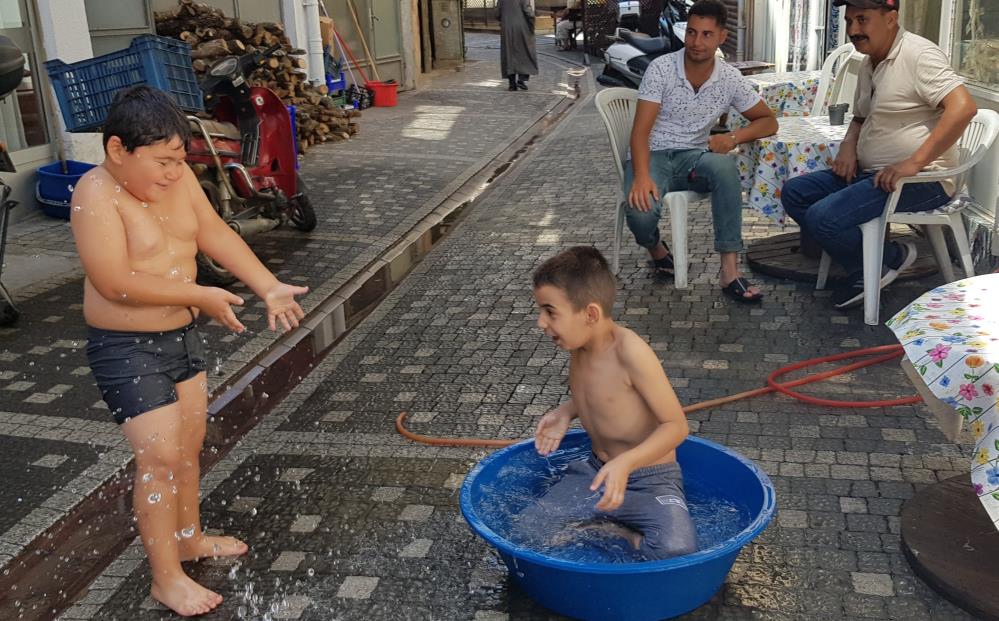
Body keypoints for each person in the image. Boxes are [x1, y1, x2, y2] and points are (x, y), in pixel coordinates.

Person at [71, 86, 308, 617]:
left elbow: (214, 233)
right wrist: (200, 295)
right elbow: (113, 282)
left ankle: (188, 538)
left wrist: (268, 285)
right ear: (117, 150)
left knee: (187, 449)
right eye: (163, 162)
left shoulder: (178, 184)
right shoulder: (95, 194)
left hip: (180, 338)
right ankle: (166, 579)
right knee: (157, 460)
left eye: (180, 160)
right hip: (125, 349)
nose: (174, 173)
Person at [781, 0, 977, 310]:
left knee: (822, 217)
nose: (853, 30)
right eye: (849, 21)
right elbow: (861, 117)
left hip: (922, 181)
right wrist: (848, 146)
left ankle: (879, 262)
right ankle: (882, 261)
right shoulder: (869, 61)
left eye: (862, 19)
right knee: (795, 192)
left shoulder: (918, 55)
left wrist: (913, 163)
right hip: (872, 174)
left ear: (891, 19)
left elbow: (963, 107)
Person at [524, 246, 697, 560]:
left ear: (590, 314)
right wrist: (566, 412)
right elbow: (602, 394)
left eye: (550, 311)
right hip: (596, 472)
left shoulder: (630, 352)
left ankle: (618, 531)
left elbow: (676, 426)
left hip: (649, 480)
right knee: (527, 533)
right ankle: (601, 520)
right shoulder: (579, 346)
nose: (540, 322)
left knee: (676, 549)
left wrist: (626, 462)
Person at [625, 0, 777, 303]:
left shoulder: (729, 78)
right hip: (652, 155)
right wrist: (641, 175)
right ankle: (657, 249)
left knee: (725, 168)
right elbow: (640, 132)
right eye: (692, 32)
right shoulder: (661, 68)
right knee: (641, 217)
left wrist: (733, 138)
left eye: (707, 34)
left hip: (694, 157)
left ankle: (730, 271)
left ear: (722, 36)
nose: (696, 42)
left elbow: (768, 121)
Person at [497, 0, 539, 91]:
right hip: (522, 26)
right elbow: (528, 11)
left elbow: (497, 12)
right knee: (525, 51)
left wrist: (503, 20)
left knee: (509, 53)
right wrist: (532, 24)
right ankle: (521, 80)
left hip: (507, 26)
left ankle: (512, 84)